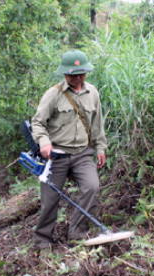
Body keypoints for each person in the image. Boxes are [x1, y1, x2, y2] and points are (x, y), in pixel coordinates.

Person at [31, 50, 108, 249]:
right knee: (50, 200)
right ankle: (43, 241)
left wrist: (100, 148)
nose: (77, 78)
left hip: (82, 154)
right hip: (56, 155)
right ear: (64, 73)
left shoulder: (93, 93)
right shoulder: (54, 94)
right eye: (73, 74)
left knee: (92, 187)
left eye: (81, 73)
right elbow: (38, 123)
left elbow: (97, 125)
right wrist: (44, 143)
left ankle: (76, 231)